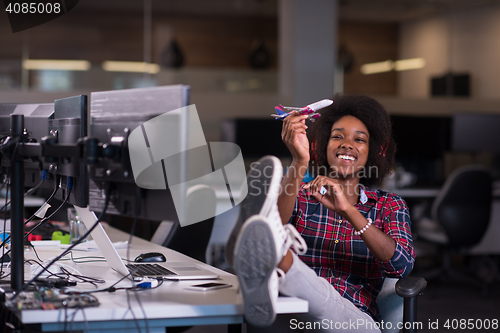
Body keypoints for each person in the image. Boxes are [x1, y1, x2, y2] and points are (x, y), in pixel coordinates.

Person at [226, 94, 415, 332]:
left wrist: (349, 211)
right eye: (337, 136)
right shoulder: (302, 196)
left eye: (360, 139)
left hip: (354, 320)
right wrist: (299, 160)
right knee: (271, 233)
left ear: (373, 151)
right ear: (323, 145)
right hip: (295, 312)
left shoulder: (389, 204)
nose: (347, 144)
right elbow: (277, 223)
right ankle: (270, 260)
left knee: (285, 263)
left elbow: (401, 265)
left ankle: (276, 262)